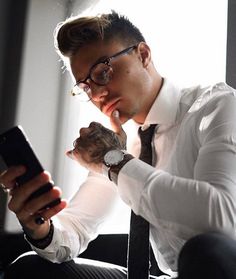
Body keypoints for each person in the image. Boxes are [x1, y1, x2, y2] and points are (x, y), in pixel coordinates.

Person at [1, 10, 236, 279]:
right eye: (86, 87)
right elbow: (75, 230)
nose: (98, 94)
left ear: (144, 55)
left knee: (207, 251)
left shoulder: (217, 106)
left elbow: (222, 219)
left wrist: (114, 161)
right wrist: (40, 228)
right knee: (29, 268)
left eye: (102, 71)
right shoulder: (120, 145)